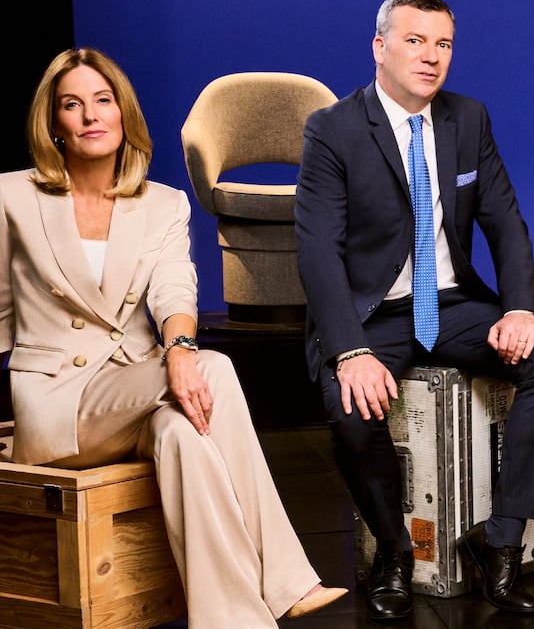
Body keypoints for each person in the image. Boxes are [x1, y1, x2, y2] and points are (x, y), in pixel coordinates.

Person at [0, 48, 347, 628]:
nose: (91, 115)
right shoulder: (12, 198)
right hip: (58, 406)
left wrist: (177, 346)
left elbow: (174, 291)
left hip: (137, 394)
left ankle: (233, 620)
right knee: (210, 369)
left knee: (183, 435)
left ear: (123, 114)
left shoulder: (162, 205)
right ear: (53, 124)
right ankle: (287, 578)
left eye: (103, 100)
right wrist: (185, 360)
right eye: (72, 104)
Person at [295, 0, 534, 621]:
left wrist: (522, 309)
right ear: (380, 47)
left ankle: (500, 542)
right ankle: (393, 553)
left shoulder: (466, 118)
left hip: (450, 303)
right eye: (415, 41)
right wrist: (349, 351)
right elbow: (317, 250)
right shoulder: (334, 130)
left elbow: (505, 221)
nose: (431, 57)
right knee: (350, 406)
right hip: (372, 314)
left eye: (443, 44)